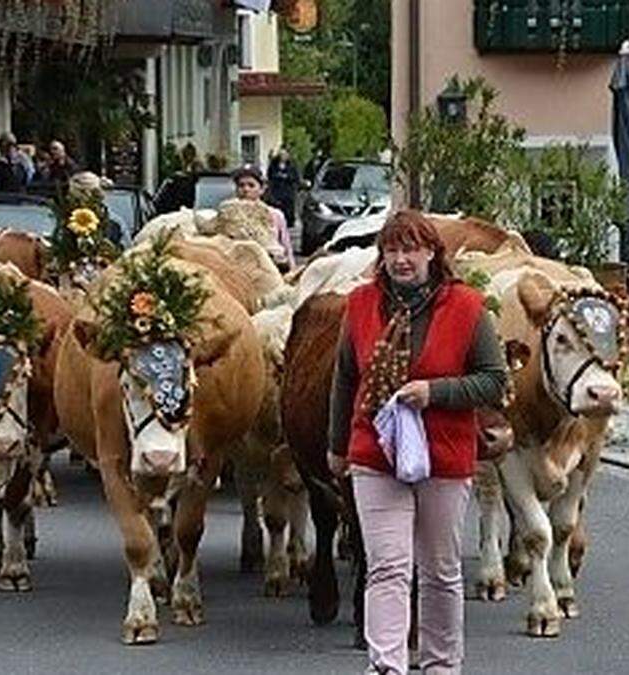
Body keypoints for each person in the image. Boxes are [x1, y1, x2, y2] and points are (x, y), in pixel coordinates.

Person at [327, 211, 507, 675]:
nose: (401, 259)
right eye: (391, 250)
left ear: (432, 253)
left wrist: (435, 392)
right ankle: (386, 665)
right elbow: (347, 377)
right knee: (387, 567)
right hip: (375, 450)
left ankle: (441, 664)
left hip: (442, 453)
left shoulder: (467, 308)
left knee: (440, 570)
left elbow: (492, 381)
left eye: (410, 249)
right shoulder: (362, 304)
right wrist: (338, 445)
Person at [232, 165, 295, 270]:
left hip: (270, 271)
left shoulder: (275, 215)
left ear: (262, 189)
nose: (245, 189)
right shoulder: (230, 216)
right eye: (241, 185)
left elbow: (286, 248)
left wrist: (291, 272)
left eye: (251, 185)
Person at [267, 147, 301, 226]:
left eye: (285, 154)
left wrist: (287, 177)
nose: (283, 156)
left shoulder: (292, 165)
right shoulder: (273, 165)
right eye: (281, 154)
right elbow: (270, 176)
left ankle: (289, 222)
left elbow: (296, 178)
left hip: (288, 191)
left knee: (288, 208)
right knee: (277, 208)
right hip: (276, 190)